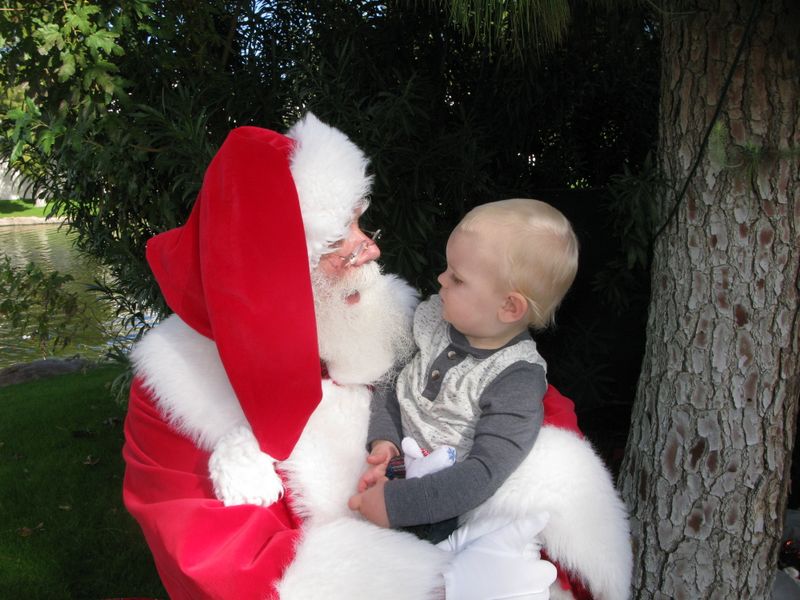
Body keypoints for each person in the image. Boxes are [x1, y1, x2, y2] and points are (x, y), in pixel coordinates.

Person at [122, 113, 632, 600]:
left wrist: (520, 533)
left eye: (360, 225)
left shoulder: (386, 314)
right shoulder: (179, 388)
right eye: (339, 241)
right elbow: (226, 564)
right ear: (273, 273)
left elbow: (522, 401)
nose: (369, 251)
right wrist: (436, 586)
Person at [348, 199, 578, 599]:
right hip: (400, 471)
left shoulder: (515, 378)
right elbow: (392, 379)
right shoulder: (436, 318)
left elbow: (483, 475)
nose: (440, 280)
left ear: (509, 306)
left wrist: (398, 505)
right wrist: (383, 441)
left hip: (452, 507)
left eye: (457, 278)